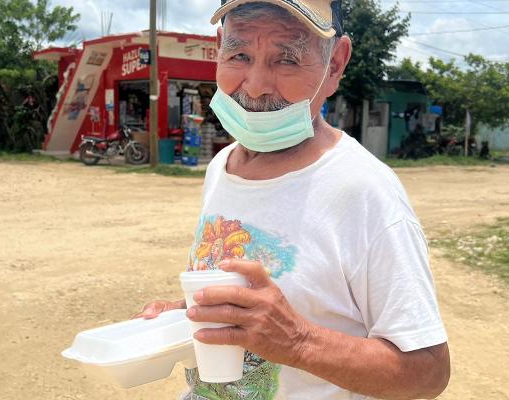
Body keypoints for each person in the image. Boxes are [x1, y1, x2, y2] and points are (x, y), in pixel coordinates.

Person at [136, 1, 450, 399]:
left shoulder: (365, 190)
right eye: (239, 55)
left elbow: (427, 373)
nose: (254, 84)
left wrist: (298, 342)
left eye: (286, 59)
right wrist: (187, 316)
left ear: (335, 63)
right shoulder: (222, 166)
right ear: (219, 48)